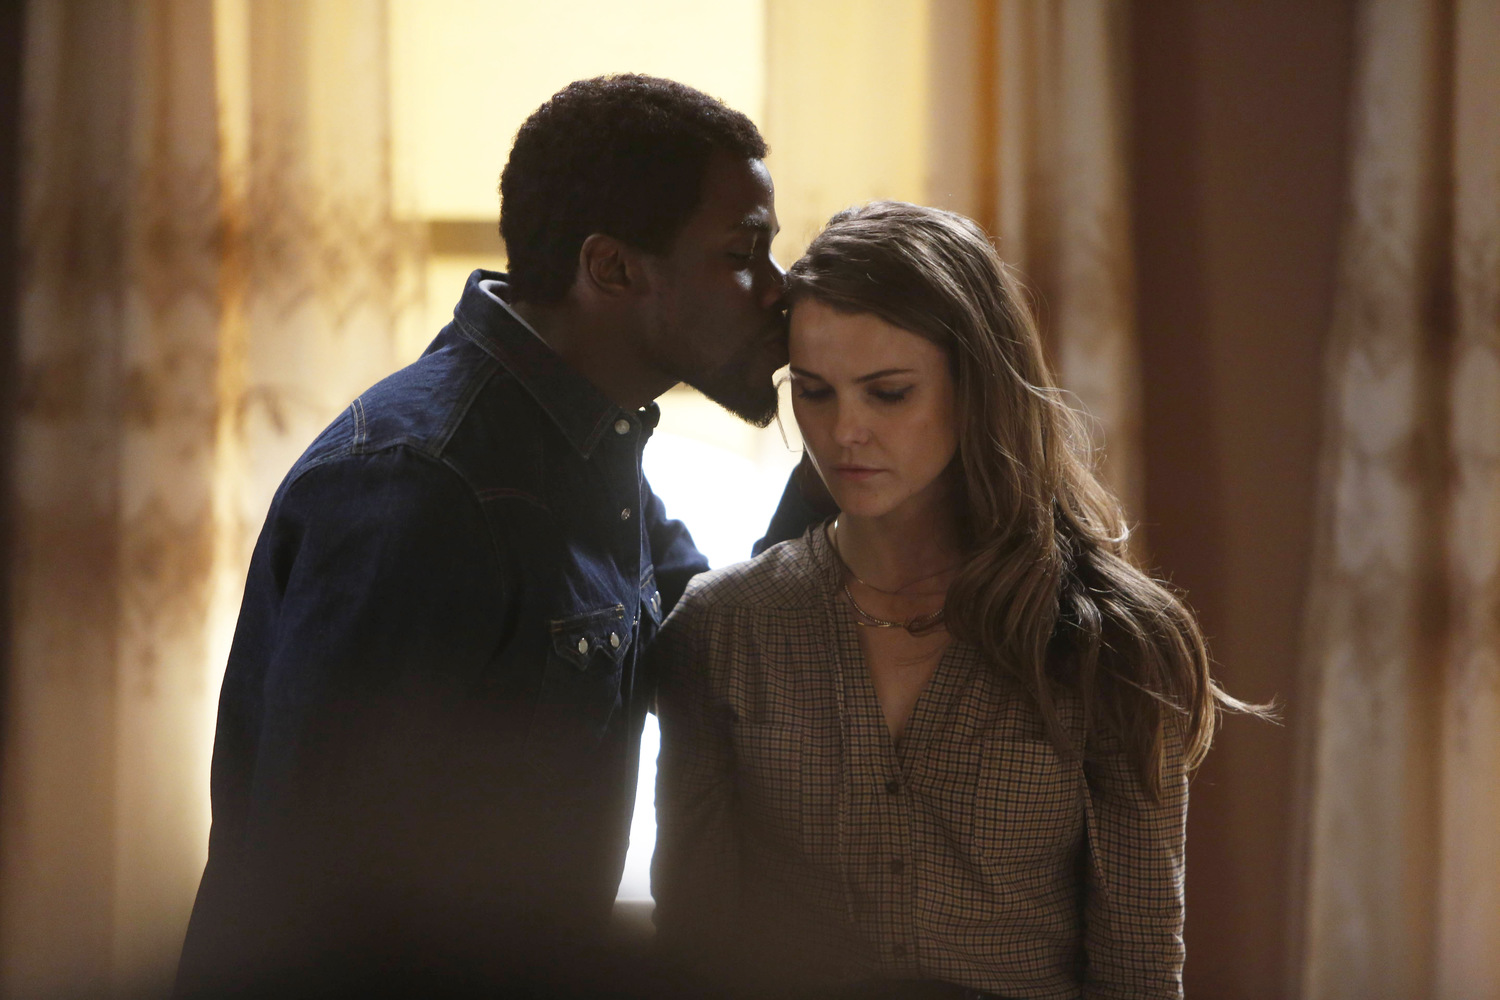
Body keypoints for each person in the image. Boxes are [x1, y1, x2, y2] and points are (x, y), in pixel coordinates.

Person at [175, 74, 795, 997]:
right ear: (611, 268)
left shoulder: (589, 441)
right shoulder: (421, 486)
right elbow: (312, 897)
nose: (778, 290)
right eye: (744, 253)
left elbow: (724, 634)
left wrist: (854, 450)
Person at [652, 201, 1263, 999]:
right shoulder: (725, 628)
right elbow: (694, 949)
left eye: (889, 393)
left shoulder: (1109, 642)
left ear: (975, 389)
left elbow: (1139, 971)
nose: (844, 432)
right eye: (815, 391)